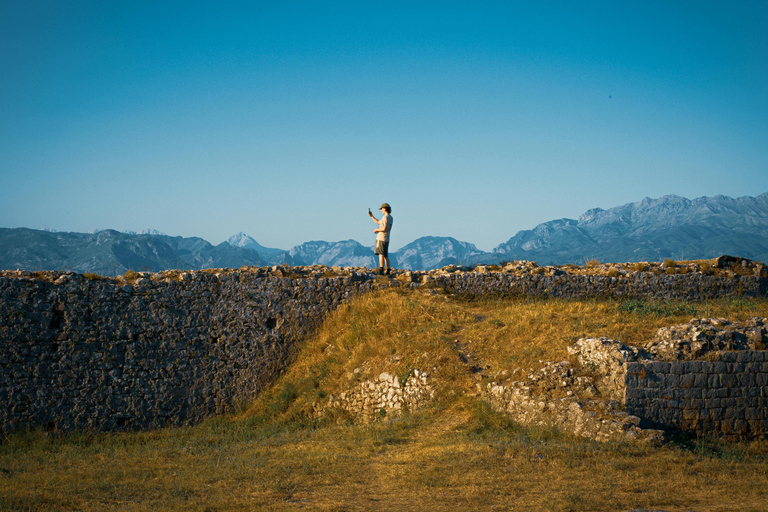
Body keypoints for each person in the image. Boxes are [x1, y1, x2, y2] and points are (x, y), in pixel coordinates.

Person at [368, 203, 393, 275]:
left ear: (384, 209)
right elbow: (378, 222)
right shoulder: (390, 218)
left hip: (381, 238)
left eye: (381, 209)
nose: (381, 210)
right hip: (387, 239)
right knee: (386, 255)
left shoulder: (385, 217)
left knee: (380, 254)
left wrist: (376, 230)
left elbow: (384, 228)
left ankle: (381, 269)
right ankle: (388, 270)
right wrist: (372, 216)